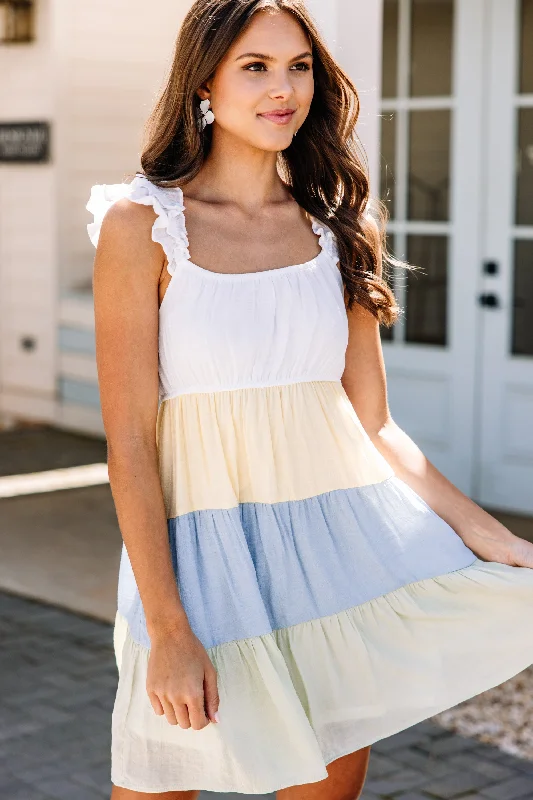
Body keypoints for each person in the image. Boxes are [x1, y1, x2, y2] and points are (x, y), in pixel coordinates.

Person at [86, 1, 533, 798]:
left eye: (298, 66)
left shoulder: (340, 224)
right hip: (197, 566)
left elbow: (375, 424)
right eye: (254, 67)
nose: (282, 88)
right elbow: (129, 442)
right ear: (203, 85)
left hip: (335, 560)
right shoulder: (143, 226)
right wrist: (167, 629)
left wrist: (485, 532)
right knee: (157, 781)